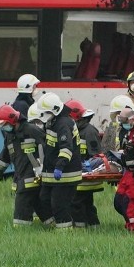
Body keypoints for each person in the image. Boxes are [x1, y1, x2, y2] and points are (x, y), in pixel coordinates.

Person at [0, 104, 47, 227]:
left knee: (21, 209)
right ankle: (54, 224)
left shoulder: (32, 130)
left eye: (4, 125)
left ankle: (21, 231)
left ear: (12, 121)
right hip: (22, 178)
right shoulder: (10, 136)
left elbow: (49, 148)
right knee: (41, 206)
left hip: (33, 177)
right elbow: (4, 158)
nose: (4, 128)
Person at [36, 92, 82, 230]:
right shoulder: (53, 121)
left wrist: (59, 167)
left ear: (55, 110)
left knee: (59, 205)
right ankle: (52, 227)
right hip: (51, 173)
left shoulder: (63, 124)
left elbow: (66, 148)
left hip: (66, 174)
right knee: (43, 200)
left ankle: (65, 232)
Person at [67, 100, 103, 229]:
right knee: (87, 203)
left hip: (86, 175)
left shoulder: (89, 131)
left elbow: (96, 156)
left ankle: (79, 228)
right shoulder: (76, 130)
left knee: (76, 202)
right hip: (81, 174)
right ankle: (94, 226)